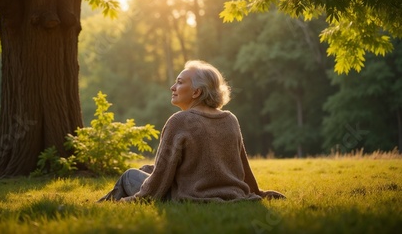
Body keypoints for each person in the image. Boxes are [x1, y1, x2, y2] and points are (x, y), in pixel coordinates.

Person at [98, 60, 285, 202]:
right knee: (145, 170)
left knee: (130, 175)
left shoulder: (179, 121)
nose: (172, 87)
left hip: (191, 197)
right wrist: (256, 193)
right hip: (234, 194)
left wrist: (134, 200)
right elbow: (242, 166)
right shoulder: (230, 119)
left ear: (196, 92)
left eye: (179, 82)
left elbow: (161, 178)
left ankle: (102, 206)